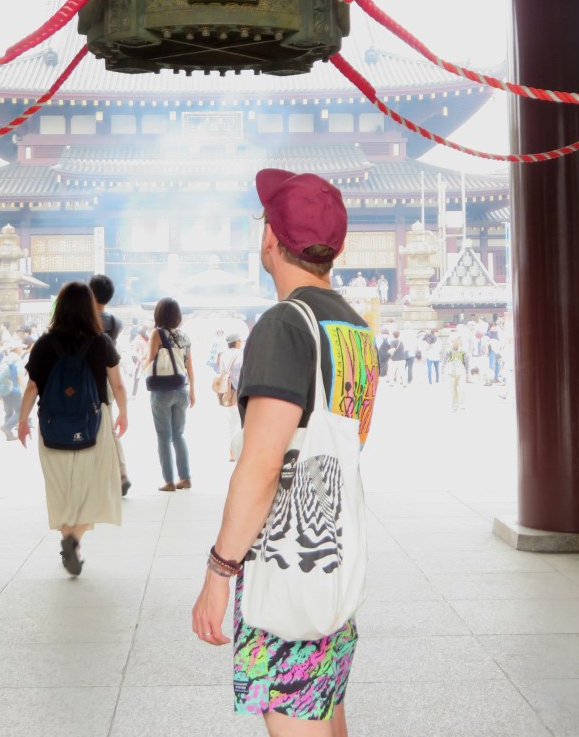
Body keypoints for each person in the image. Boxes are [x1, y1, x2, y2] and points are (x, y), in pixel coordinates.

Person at [192, 168, 380, 735]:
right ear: (334, 248)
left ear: (270, 237)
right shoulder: (352, 326)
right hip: (330, 557)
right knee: (325, 713)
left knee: (297, 718)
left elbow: (263, 462)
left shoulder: (284, 325)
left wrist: (220, 570)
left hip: (286, 564)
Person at [17, 282, 128, 576]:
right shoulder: (101, 341)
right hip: (95, 425)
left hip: (52, 427)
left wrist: (22, 420)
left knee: (60, 490)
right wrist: (123, 413)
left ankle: (69, 541)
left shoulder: (44, 343)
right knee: (95, 487)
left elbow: (32, 387)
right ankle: (74, 540)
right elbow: (117, 384)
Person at [145, 297, 195, 491]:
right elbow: (190, 367)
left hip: (162, 391)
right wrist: (192, 391)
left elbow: (150, 360)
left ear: (159, 314)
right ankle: (185, 478)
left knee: (163, 436)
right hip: (181, 389)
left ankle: (169, 481)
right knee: (178, 435)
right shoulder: (185, 336)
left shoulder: (157, 334)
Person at [89, 273, 131, 496]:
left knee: (90, 427)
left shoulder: (85, 321)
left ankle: (100, 477)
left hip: (89, 379)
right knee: (107, 426)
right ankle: (121, 472)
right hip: (109, 377)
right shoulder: (116, 322)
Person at [444, 334, 469, 412]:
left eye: (458, 340)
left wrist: (467, 374)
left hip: (461, 372)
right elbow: (444, 361)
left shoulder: (463, 350)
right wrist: (442, 372)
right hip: (450, 373)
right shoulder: (448, 350)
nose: (457, 342)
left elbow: (466, 362)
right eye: (456, 340)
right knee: (452, 390)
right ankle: (454, 406)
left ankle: (462, 406)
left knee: (461, 389)